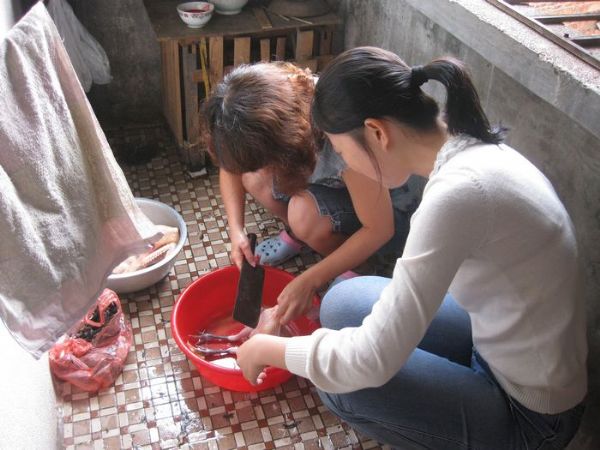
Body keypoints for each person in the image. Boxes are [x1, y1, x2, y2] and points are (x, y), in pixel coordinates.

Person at [234, 47, 587, 449]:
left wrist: (267, 349)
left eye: (343, 151)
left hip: (530, 414)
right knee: (343, 301)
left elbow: (371, 360)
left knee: (342, 387)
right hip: (495, 337)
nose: (346, 162)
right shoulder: (472, 153)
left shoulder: (456, 197)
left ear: (377, 133)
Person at [204, 62, 424, 324]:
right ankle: (301, 235)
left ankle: (361, 265)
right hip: (333, 186)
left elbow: (380, 229)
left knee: (303, 214)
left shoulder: (344, 137)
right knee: (254, 177)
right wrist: (236, 230)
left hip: (387, 211)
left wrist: (311, 280)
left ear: (287, 146)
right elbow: (232, 166)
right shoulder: (266, 102)